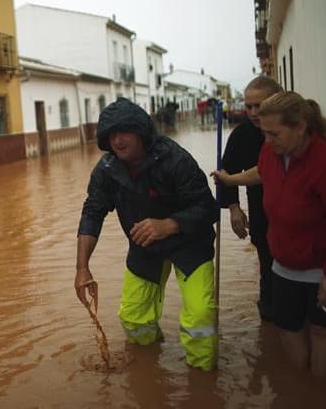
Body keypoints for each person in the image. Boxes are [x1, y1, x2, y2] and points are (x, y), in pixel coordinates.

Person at [212, 92, 326, 376]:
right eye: (263, 133)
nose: (266, 140)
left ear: (301, 128)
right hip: (284, 262)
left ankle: (319, 390)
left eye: (274, 134)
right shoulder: (273, 151)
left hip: (324, 264)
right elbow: (262, 173)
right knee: (287, 327)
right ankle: (299, 387)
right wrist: (230, 179)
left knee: (321, 329)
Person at [75, 98, 220, 371]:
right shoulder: (107, 170)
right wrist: (82, 268)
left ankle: (202, 384)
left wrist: (169, 225)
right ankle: (149, 368)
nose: (117, 141)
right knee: (133, 319)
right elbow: (92, 213)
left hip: (190, 243)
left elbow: (208, 208)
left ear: (141, 131)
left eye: (124, 132)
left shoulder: (176, 160)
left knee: (200, 318)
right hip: (145, 246)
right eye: (110, 135)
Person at [219, 76, 284, 322]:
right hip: (261, 211)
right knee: (267, 264)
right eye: (249, 107)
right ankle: (269, 317)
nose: (254, 113)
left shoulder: (296, 127)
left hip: (296, 214)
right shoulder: (241, 135)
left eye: (260, 105)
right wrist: (234, 209)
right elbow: (227, 172)